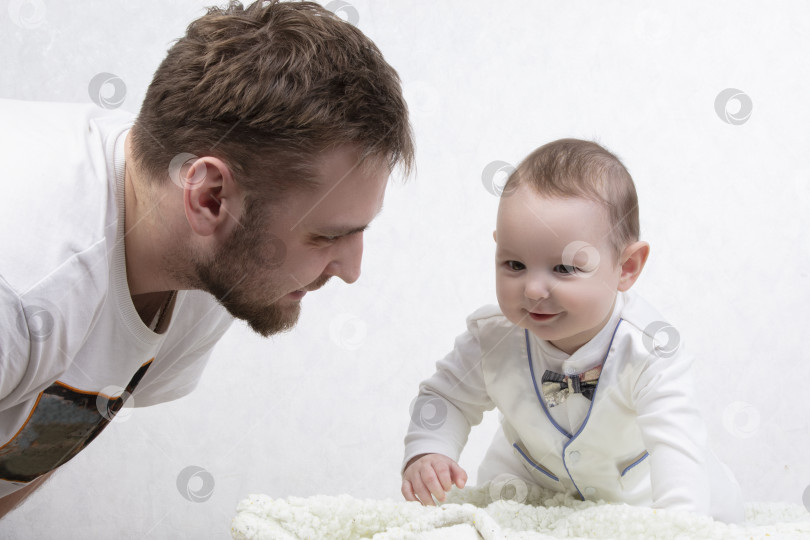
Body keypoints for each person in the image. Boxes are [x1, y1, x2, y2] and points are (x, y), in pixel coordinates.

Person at [0, 0, 413, 518]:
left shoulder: (210, 264)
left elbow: (32, 442)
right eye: (327, 236)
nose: (351, 271)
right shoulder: (22, 285)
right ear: (210, 197)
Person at [401, 139, 743, 523]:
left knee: (713, 513)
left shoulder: (649, 350)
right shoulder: (491, 336)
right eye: (514, 264)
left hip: (640, 496)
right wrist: (429, 449)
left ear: (626, 267)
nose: (532, 289)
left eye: (564, 269)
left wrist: (679, 522)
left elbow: (675, 444)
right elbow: (446, 396)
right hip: (529, 482)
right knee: (488, 518)